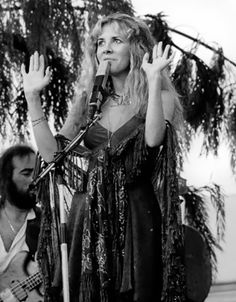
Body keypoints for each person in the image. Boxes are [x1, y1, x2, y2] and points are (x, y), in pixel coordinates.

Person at [21, 13, 185, 302]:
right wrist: (33, 99)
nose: (105, 48)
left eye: (116, 40)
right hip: (87, 216)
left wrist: (154, 76)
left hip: (135, 216)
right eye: (100, 42)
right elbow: (52, 155)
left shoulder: (157, 96)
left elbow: (153, 139)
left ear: (136, 48)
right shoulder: (89, 101)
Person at [0, 145, 42, 296]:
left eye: (37, 173)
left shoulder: (46, 225)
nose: (34, 180)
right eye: (26, 173)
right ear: (5, 178)